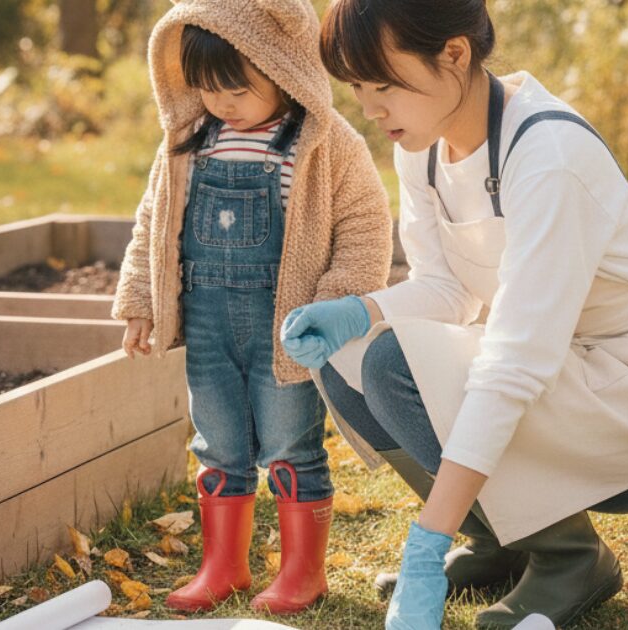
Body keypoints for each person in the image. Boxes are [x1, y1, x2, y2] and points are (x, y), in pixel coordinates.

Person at [279, 0, 628, 627]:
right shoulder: (422, 146)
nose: (369, 108)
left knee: (392, 360)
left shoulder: (549, 154)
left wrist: (427, 539)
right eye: (356, 86)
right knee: (349, 352)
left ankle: (570, 558)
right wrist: (359, 310)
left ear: (454, 55)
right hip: (561, 380)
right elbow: (446, 288)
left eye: (384, 84)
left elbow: (515, 360)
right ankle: (501, 544)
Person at [111, 0, 392, 615]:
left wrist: (331, 305)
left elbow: (366, 226)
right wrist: (139, 300)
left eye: (238, 88)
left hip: (284, 324)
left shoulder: (321, 143)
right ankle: (224, 565)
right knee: (217, 442)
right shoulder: (190, 142)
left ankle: (302, 571)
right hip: (208, 321)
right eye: (209, 88)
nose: (224, 103)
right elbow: (153, 223)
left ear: (284, 69)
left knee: (291, 443)